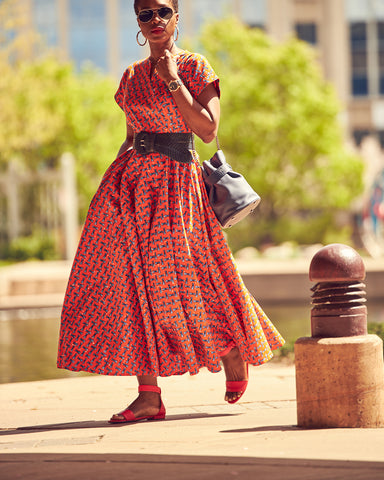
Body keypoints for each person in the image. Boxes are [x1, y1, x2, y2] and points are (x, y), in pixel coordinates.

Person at [57, 0, 284, 424]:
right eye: (145, 13)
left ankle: (232, 350)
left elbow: (208, 129)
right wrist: (112, 186)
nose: (155, 20)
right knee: (129, 282)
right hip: (129, 186)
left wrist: (173, 80)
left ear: (177, 17)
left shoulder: (196, 67)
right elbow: (132, 134)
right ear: (138, 22)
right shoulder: (129, 77)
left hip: (177, 183)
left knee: (189, 275)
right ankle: (148, 395)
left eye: (163, 11)